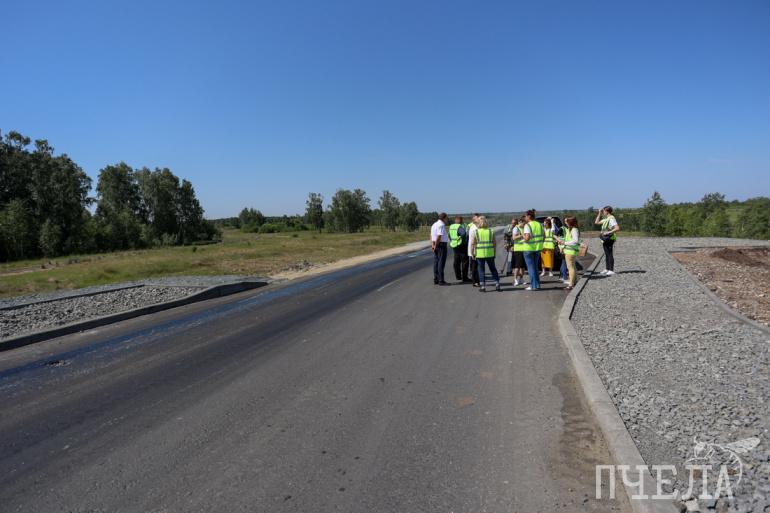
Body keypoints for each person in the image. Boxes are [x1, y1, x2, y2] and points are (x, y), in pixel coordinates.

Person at [470, 216, 501, 292]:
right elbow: (494, 243)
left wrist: (472, 253)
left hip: (480, 254)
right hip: (490, 253)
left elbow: (473, 244)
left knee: (481, 270)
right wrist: (494, 252)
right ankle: (497, 284)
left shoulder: (476, 232)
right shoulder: (490, 231)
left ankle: (483, 286)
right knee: (493, 269)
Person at [554, 216, 581, 290]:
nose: (565, 223)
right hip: (571, 250)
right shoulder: (572, 229)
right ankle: (574, 281)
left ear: (570, 222)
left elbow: (575, 241)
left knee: (570, 268)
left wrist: (564, 243)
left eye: (566, 221)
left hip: (570, 251)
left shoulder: (573, 230)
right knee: (573, 267)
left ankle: (571, 284)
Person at [521, 210, 544, 291]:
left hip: (529, 249)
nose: (525, 218)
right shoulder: (539, 224)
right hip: (538, 248)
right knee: (535, 267)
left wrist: (522, 236)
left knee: (531, 268)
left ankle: (533, 286)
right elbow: (544, 236)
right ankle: (537, 285)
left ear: (529, 216)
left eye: (525, 216)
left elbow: (527, 238)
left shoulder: (527, 225)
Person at [594, 206, 620, 276]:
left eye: (603, 211)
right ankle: (607, 268)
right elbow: (596, 222)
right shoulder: (606, 219)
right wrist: (599, 213)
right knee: (606, 254)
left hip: (610, 238)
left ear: (607, 211)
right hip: (605, 238)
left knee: (609, 254)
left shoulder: (611, 218)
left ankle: (611, 270)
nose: (603, 212)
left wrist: (608, 232)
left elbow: (617, 228)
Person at [448, 216, 470, 282]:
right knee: (465, 261)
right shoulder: (459, 227)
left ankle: (458, 276)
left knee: (456, 261)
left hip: (454, 245)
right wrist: (461, 239)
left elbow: (449, 235)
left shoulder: (451, 226)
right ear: (461, 220)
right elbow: (463, 233)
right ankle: (464, 277)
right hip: (461, 245)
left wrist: (452, 240)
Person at [430, 212, 450, 286]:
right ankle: (441, 280)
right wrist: (436, 245)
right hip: (440, 244)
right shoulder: (441, 225)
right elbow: (439, 236)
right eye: (446, 218)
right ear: (444, 218)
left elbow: (431, 235)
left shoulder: (434, 224)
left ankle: (436, 279)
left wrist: (433, 245)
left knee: (436, 262)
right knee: (441, 262)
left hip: (435, 243)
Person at [511, 218, 527, 286]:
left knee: (523, 266)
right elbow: (514, 238)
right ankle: (515, 280)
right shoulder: (516, 228)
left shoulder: (524, 228)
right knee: (517, 266)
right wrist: (522, 235)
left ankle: (521, 279)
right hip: (518, 249)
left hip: (524, 249)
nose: (524, 225)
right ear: (520, 222)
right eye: (524, 224)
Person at [467, 213, 481, 287]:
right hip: (474, 250)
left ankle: (476, 281)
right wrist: (473, 252)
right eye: (478, 218)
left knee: (475, 266)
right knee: (475, 266)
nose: (479, 219)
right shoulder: (475, 227)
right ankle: (476, 281)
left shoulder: (473, 226)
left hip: (474, 249)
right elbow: (474, 241)